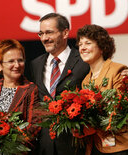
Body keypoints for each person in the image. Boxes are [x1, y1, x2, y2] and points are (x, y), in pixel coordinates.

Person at [29, 13, 90, 155]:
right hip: (44, 145)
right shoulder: (35, 64)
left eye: (49, 32)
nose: (44, 38)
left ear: (65, 33)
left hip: (75, 144)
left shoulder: (83, 61)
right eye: (41, 33)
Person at [76, 24, 128, 155]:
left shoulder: (117, 70)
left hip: (119, 146)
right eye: (80, 44)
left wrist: (93, 124)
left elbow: (121, 110)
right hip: (95, 147)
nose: (83, 48)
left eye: (88, 43)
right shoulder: (85, 81)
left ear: (102, 47)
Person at [0, 39, 41, 143]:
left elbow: (34, 127)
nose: (17, 65)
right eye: (11, 61)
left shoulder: (30, 89)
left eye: (20, 60)